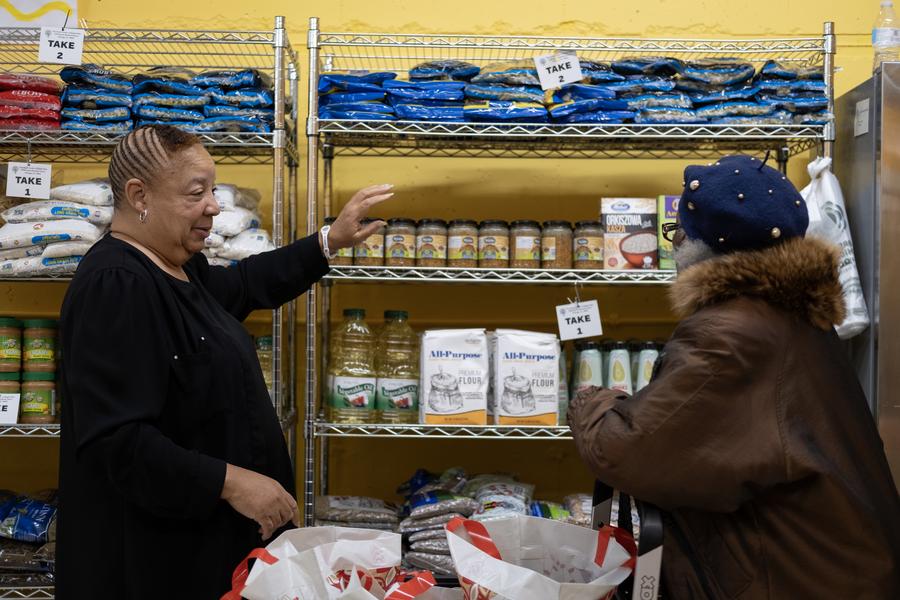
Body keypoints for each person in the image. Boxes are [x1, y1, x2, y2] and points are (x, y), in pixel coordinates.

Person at [56, 125, 392, 599]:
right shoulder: (116, 285)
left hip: (200, 550)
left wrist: (327, 241)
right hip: (151, 566)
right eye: (197, 193)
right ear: (138, 195)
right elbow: (115, 441)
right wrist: (233, 483)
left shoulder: (178, 265)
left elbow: (241, 287)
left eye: (212, 190)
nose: (213, 205)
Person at [568, 155, 900, 599]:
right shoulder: (790, 314)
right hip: (834, 566)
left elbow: (630, 450)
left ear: (700, 245)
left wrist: (592, 402)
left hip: (791, 579)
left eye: (679, 232)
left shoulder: (731, 335)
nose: (675, 244)